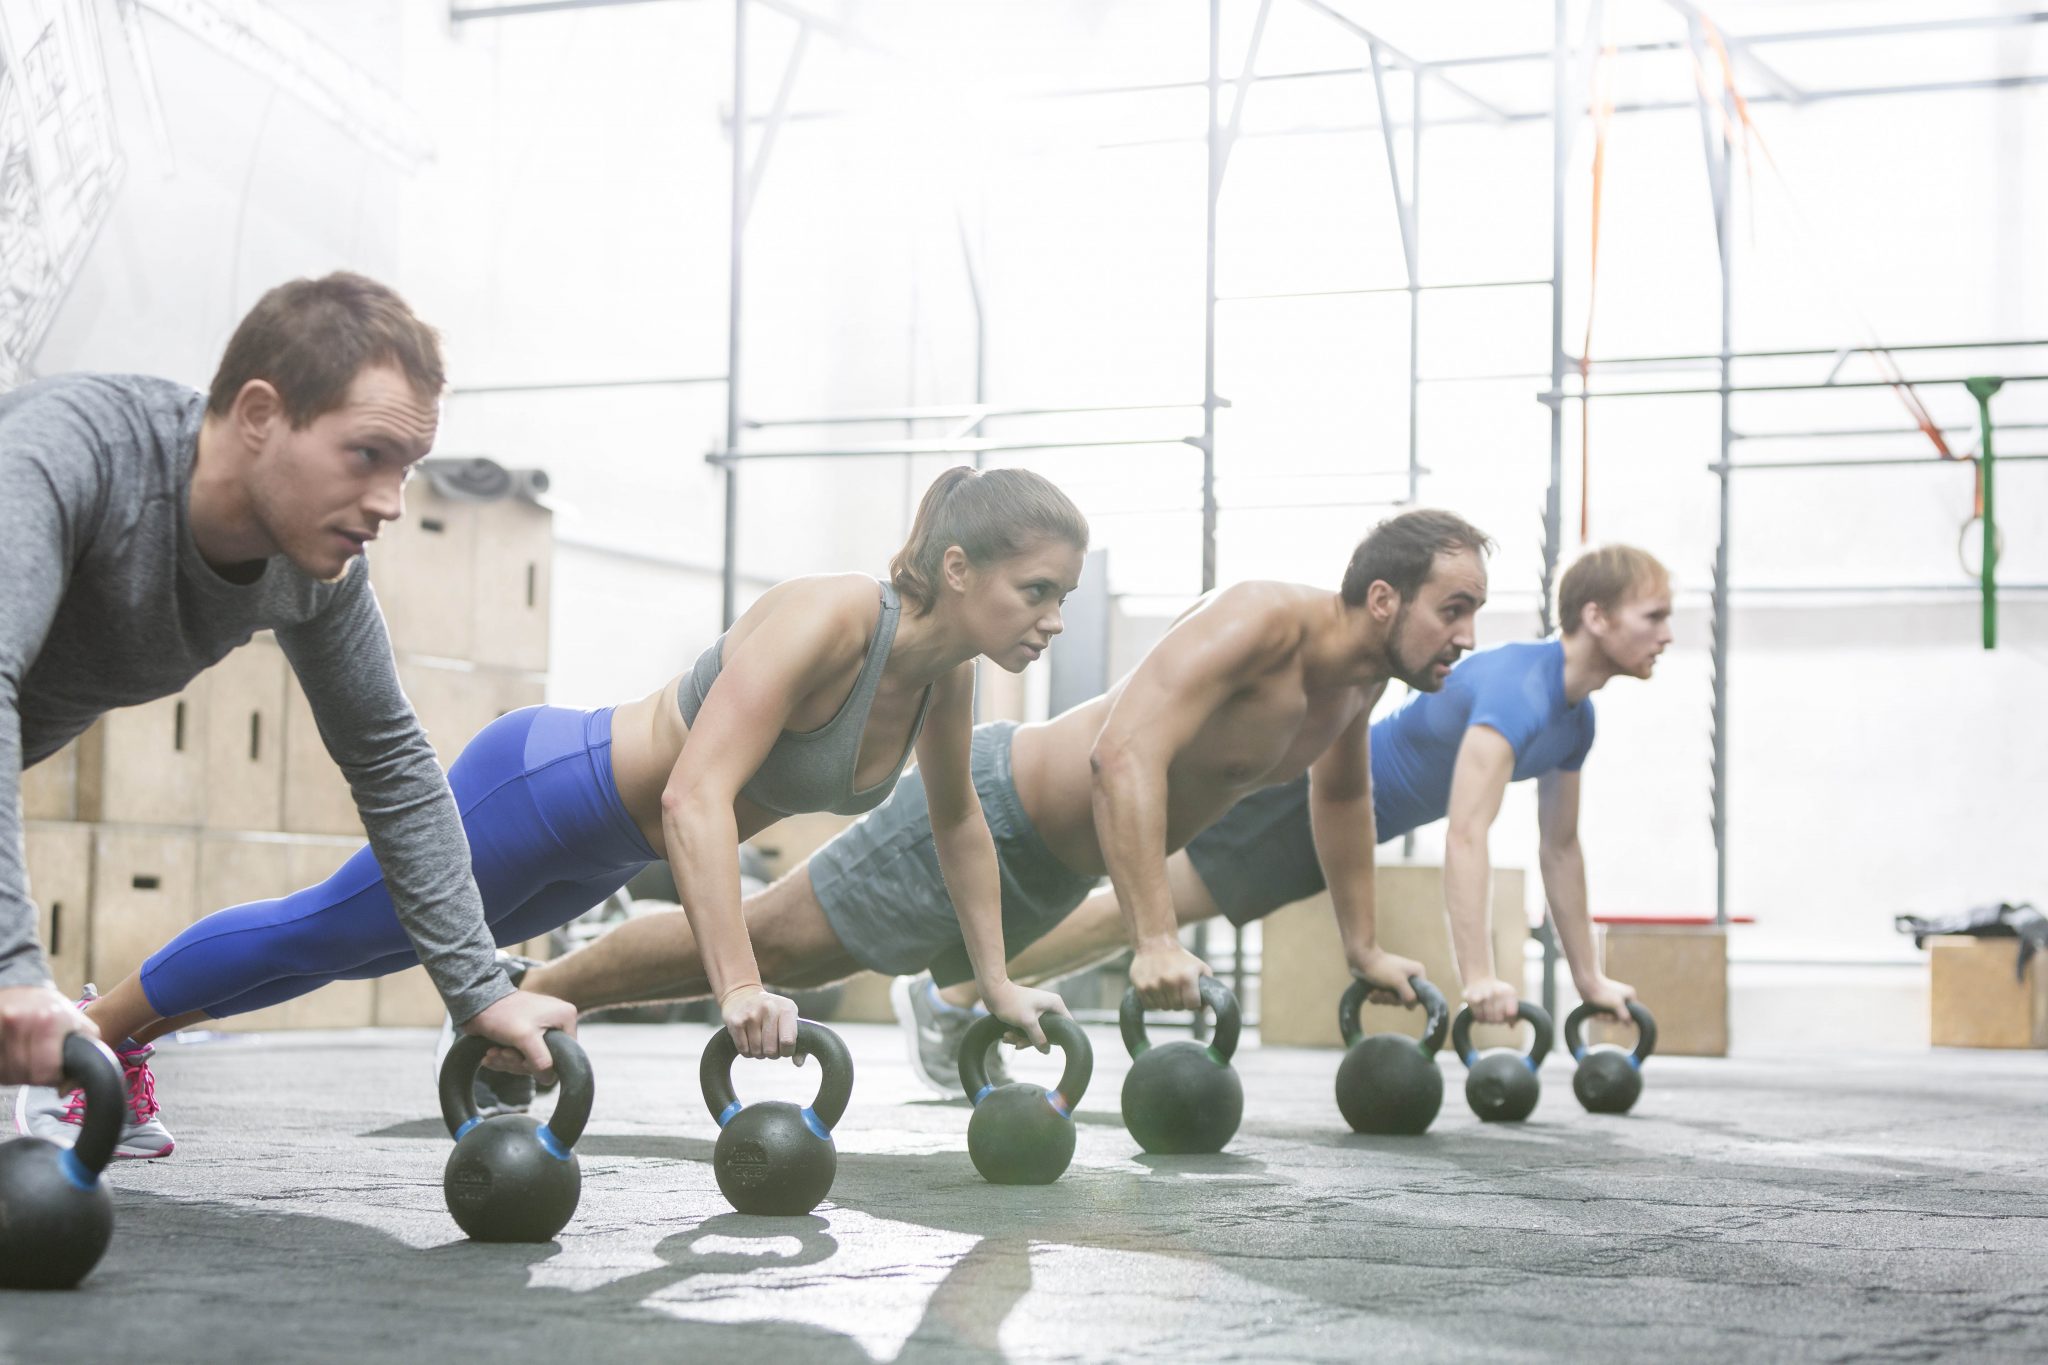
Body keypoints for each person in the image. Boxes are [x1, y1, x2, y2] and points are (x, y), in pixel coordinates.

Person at [35, 465, 1087, 1153]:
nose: (1048, 619)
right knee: (332, 933)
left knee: (357, 950)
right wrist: (737, 987)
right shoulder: (831, 616)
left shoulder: (947, 681)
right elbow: (694, 794)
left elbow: (958, 828)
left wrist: (991, 982)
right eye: (1035, 590)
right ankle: (84, 1043)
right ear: (957, 568)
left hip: (592, 851)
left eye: (1063, 600)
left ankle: (113, 1035)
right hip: (546, 789)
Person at [501, 509, 1493, 1095]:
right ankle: (528, 999)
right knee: (771, 948)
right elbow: (1121, 756)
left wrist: (1363, 948)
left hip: (1052, 874)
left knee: (803, 954)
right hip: (996, 808)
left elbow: (1343, 802)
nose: (1465, 634)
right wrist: (1151, 934)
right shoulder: (1258, 620)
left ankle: (535, 994)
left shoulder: (1354, 687)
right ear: (1379, 600)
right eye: (1453, 609)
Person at [3, 273, 574, 1156]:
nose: (390, 501)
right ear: (261, 414)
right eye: (366, 455)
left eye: (407, 469)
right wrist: (13, 969)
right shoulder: (73, 452)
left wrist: (478, 989)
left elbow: (392, 765)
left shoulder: (320, 575)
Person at [914, 543, 1673, 1073]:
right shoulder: (1521, 688)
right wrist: (1478, 975)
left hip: (1338, 822)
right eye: (1654, 616)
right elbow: (1469, 833)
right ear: (1597, 616)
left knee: (1133, 918)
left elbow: (1561, 852)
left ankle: (956, 988)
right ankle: (948, 992)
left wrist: (1590, 980)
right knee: (1135, 918)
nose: (1667, 635)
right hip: (1298, 803)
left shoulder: (1576, 719)